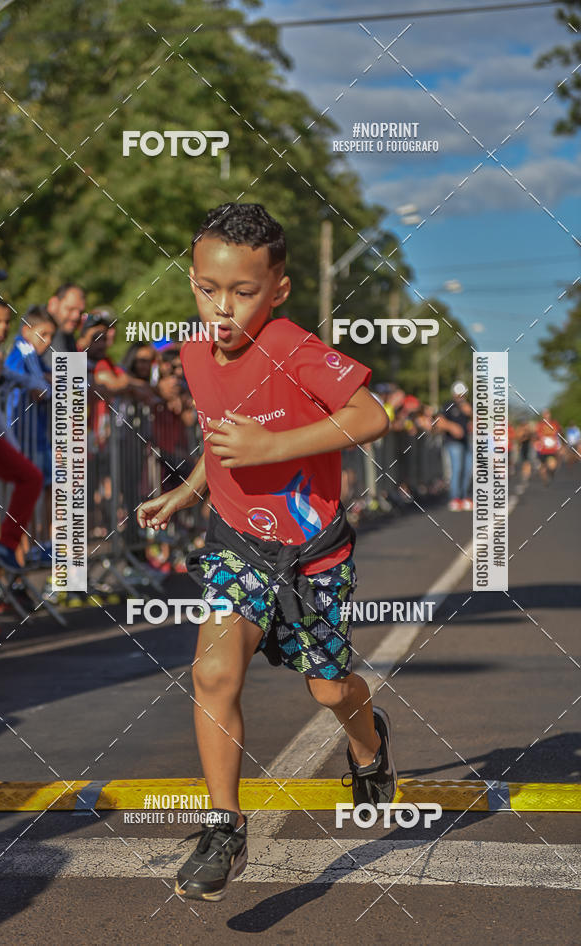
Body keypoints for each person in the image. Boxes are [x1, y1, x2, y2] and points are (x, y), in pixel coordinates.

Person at [136, 202, 396, 902]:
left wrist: (274, 447)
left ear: (276, 290)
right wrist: (186, 492)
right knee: (214, 671)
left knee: (329, 688)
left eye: (242, 292)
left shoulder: (289, 345)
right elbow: (220, 438)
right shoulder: (192, 351)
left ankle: (369, 745)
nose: (221, 307)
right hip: (235, 544)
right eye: (205, 287)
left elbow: (374, 415)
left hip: (312, 552)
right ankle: (223, 826)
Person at [0, 296, 44, 572]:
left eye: (7, 322)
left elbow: (16, 377)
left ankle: (6, 546)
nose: (3, 328)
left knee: (30, 477)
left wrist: (44, 387)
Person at [5, 305, 56, 565]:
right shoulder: (23, 351)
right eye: (43, 334)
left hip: (33, 434)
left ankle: (38, 546)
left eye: (50, 336)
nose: (47, 342)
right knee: (27, 492)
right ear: (27, 330)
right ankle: (22, 552)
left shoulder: (29, 355)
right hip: (20, 436)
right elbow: (40, 391)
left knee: (47, 487)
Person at [438, 381, 473, 511]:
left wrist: (470, 414)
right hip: (453, 443)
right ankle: (455, 498)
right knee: (457, 469)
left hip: (466, 442)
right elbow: (440, 421)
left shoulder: (468, 407)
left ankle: (464, 496)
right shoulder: (448, 406)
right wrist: (451, 427)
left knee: (467, 470)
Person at [47, 282, 85, 356]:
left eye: (81, 312)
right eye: (70, 309)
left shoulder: (66, 332)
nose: (76, 316)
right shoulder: (39, 328)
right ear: (53, 304)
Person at [533, 409, 562, 484]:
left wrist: (559, 444)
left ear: (550, 415)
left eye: (548, 414)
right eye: (545, 414)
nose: (547, 416)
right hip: (542, 449)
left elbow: (559, 432)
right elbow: (536, 435)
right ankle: (545, 480)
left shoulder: (554, 423)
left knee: (552, 465)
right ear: (543, 416)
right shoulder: (540, 425)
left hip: (552, 449)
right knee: (542, 468)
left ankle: (551, 473)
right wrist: (538, 441)